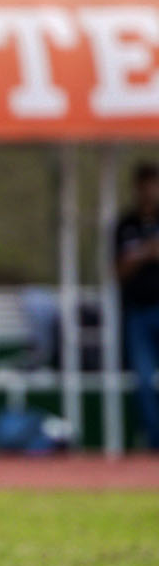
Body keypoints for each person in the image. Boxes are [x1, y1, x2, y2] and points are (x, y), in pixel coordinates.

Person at [113, 160, 159, 449]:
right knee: (142, 380)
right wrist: (146, 252)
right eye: (144, 185)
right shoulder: (125, 225)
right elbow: (118, 270)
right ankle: (155, 442)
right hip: (138, 312)